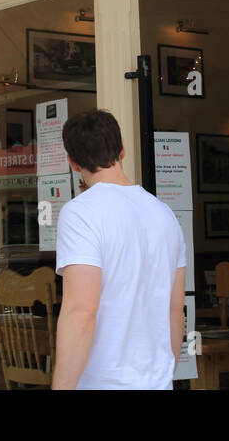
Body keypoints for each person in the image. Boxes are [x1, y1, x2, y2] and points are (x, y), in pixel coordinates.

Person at [52, 109, 186, 389]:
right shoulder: (165, 215)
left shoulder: (80, 213)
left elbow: (81, 310)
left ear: (72, 163)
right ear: (122, 149)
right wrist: (165, 374)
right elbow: (175, 311)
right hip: (158, 382)